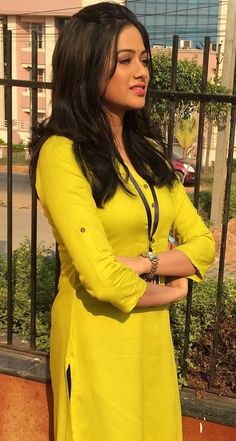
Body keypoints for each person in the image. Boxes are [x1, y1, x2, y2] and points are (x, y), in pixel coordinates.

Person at [29, 3, 215, 441]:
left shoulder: (148, 152)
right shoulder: (62, 155)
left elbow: (203, 244)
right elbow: (103, 280)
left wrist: (142, 263)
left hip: (151, 343)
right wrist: (170, 285)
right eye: (125, 60)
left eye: (144, 60)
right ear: (88, 66)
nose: (142, 72)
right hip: (97, 341)